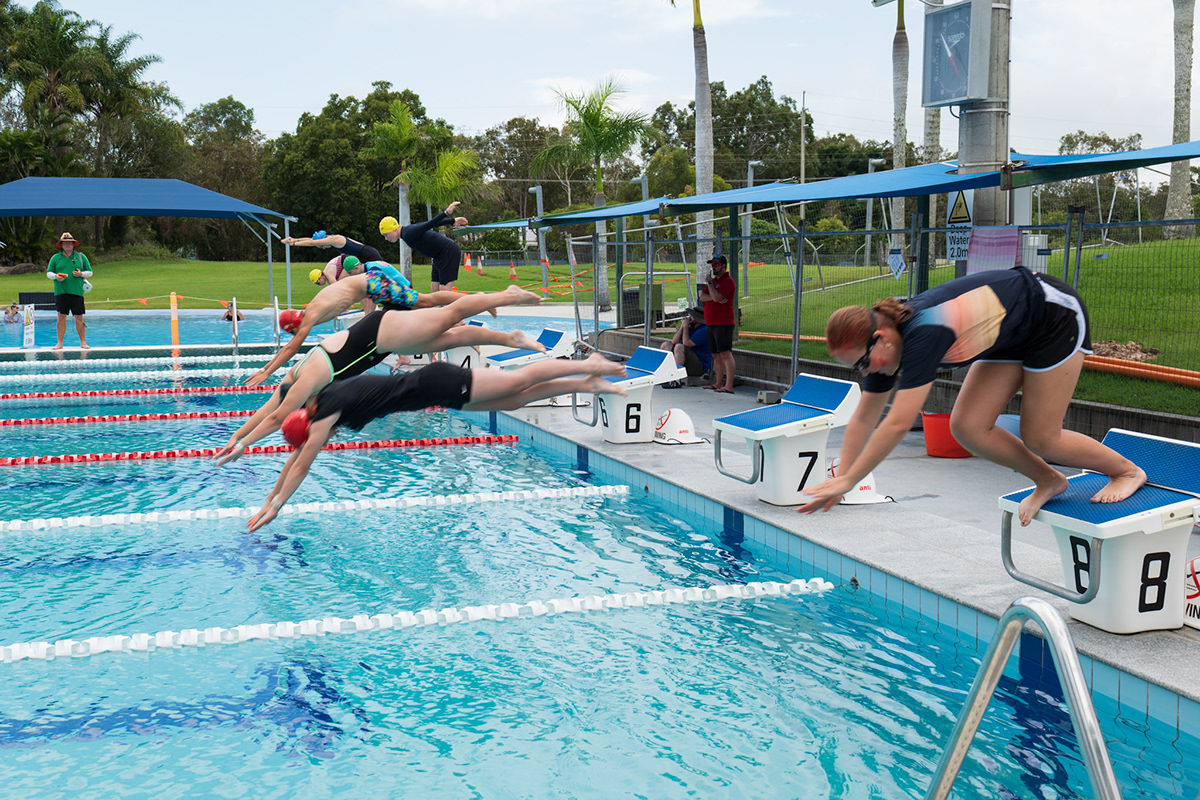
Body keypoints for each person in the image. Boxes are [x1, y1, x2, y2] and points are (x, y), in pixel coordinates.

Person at [798, 266, 1147, 526]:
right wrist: (842, 476)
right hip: (1012, 333)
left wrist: (850, 479)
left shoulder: (923, 332)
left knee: (1043, 438)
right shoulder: (886, 349)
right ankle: (1049, 480)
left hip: (1053, 317)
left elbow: (896, 423)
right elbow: (864, 417)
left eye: (862, 361)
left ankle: (1127, 471)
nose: (864, 371)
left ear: (880, 337)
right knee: (967, 426)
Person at [243, 354, 628, 531]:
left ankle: (589, 364)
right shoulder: (321, 403)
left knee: (518, 381)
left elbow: (303, 463)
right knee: (513, 400)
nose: (318, 441)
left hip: (435, 382)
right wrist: (269, 498)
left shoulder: (328, 415)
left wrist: (276, 505)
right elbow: (295, 458)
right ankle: (585, 383)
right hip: (436, 392)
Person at [216, 286, 547, 462]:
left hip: (381, 333)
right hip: (380, 340)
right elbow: (267, 410)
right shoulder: (293, 378)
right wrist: (235, 438)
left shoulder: (305, 382)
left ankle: (509, 295)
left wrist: (245, 444)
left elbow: (275, 420)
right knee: (452, 335)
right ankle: (509, 337)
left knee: (448, 316)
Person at [244, 260, 488, 387]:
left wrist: (267, 371)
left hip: (373, 284)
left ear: (294, 327)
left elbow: (292, 348)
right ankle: (467, 306)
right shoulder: (309, 311)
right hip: (371, 286)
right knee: (412, 315)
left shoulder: (308, 318)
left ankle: (475, 300)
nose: (296, 335)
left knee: (423, 301)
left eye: (293, 333)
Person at [379, 200, 468, 292]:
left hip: (448, 251)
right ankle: (443, 306)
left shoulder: (408, 233)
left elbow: (429, 224)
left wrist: (445, 213)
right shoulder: (407, 231)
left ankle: (472, 302)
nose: (386, 238)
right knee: (435, 287)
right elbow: (429, 224)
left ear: (394, 229)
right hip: (439, 255)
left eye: (386, 234)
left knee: (444, 290)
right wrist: (452, 221)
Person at [46, 232, 91, 350]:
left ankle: (83, 342)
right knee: (61, 317)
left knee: (79, 317)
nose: (67, 245)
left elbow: (90, 272)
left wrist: (81, 274)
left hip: (76, 292)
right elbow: (49, 273)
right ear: (61, 245)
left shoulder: (81, 257)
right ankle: (59, 343)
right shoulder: (56, 258)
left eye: (69, 243)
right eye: (65, 243)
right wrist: (56, 276)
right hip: (61, 292)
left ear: (73, 244)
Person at [699, 254, 736, 393]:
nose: (713, 268)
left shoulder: (728, 282)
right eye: (712, 265)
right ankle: (718, 383)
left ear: (723, 266)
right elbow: (702, 297)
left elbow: (716, 296)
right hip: (711, 322)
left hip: (723, 322)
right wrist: (714, 297)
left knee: (725, 353)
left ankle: (729, 385)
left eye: (716, 265)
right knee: (715, 354)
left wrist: (710, 286)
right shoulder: (714, 282)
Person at [660, 306, 711, 389]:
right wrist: (682, 327)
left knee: (679, 347)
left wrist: (686, 327)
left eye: (691, 316)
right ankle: (664, 375)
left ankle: (676, 379)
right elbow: (674, 341)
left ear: (697, 318)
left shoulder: (704, 330)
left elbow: (686, 343)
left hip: (699, 367)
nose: (688, 317)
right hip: (688, 361)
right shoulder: (692, 328)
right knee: (666, 345)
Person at [281, 231, 383, 264]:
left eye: (321, 246)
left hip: (369, 255)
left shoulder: (335, 239)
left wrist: (294, 244)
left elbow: (312, 242)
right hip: (363, 257)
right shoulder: (331, 239)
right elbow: (311, 240)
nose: (324, 248)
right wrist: (294, 239)